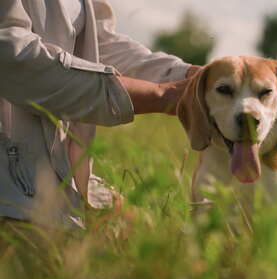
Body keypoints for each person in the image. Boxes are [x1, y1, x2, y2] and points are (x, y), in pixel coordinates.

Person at [0, 0, 200, 228]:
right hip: (11, 191)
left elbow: (99, 46)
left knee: (149, 232)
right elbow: (12, 57)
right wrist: (161, 95)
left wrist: (187, 76)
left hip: (62, 179)